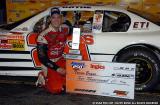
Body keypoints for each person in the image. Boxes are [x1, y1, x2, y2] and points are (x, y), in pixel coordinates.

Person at [36, 7, 69, 94]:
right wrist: (57, 68)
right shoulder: (43, 35)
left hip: (61, 59)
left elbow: (74, 29)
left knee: (73, 80)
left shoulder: (65, 29)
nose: (56, 20)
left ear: (61, 18)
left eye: (58, 17)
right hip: (49, 63)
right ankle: (42, 76)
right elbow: (42, 58)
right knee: (56, 89)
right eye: (54, 17)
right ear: (50, 19)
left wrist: (82, 30)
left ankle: (59, 78)